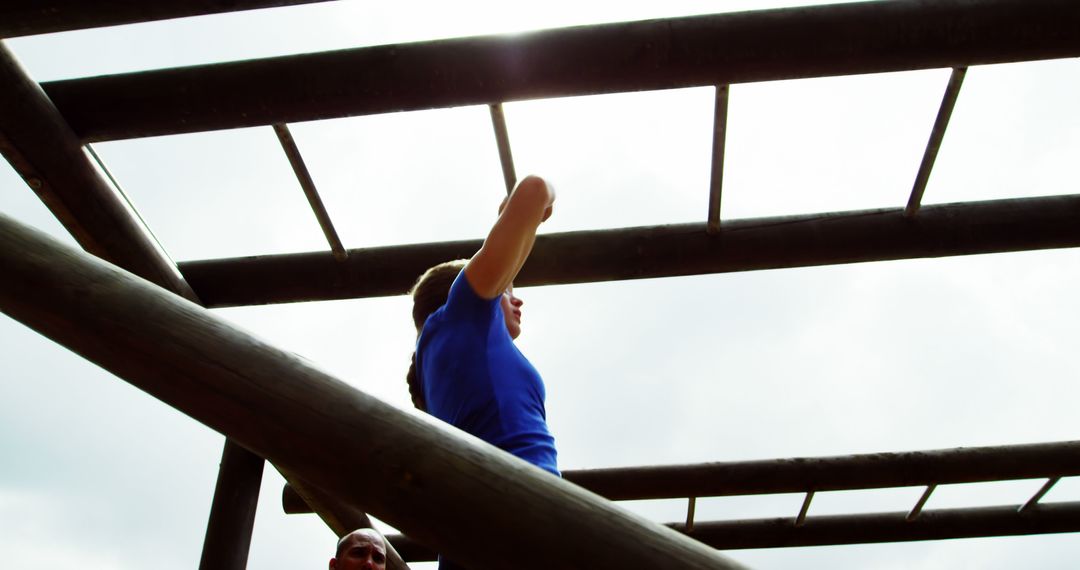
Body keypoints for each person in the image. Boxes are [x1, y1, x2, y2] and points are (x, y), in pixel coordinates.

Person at [406, 175, 557, 569]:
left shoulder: (436, 359)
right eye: (507, 289)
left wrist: (516, 223)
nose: (517, 297)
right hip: (523, 512)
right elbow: (535, 188)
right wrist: (534, 208)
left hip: (473, 532)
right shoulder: (462, 315)